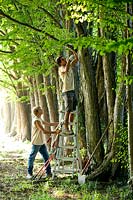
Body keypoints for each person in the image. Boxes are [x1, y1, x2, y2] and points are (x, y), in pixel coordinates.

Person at [27, 106, 59, 179]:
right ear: (37, 112)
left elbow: (49, 124)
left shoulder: (39, 119)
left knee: (46, 157)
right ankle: (29, 174)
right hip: (36, 142)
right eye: (40, 109)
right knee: (32, 157)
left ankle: (48, 173)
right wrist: (55, 132)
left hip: (41, 142)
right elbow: (44, 131)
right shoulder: (36, 121)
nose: (42, 109)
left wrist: (59, 123)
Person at [56, 48, 78, 133]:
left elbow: (76, 59)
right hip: (66, 91)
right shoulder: (61, 68)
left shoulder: (69, 65)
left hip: (72, 90)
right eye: (62, 59)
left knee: (73, 110)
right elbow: (66, 69)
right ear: (60, 63)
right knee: (68, 110)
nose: (64, 60)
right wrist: (69, 60)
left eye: (64, 58)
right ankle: (65, 128)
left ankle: (70, 127)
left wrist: (73, 52)